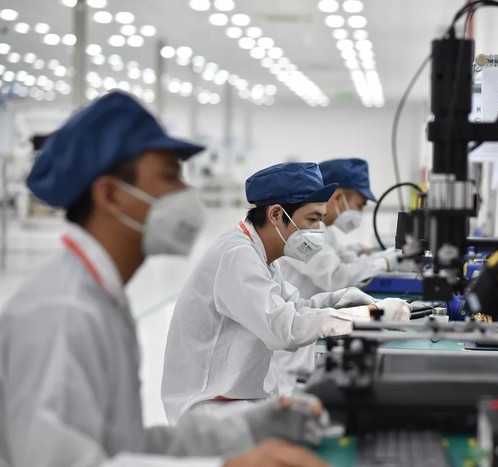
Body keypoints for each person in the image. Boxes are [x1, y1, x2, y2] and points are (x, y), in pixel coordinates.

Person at [0, 91, 329, 467]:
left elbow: (124, 444)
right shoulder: (63, 311)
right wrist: (226, 465)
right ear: (111, 195)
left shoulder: (99, 295)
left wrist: (251, 427)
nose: (186, 193)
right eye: (170, 177)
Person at [161, 161, 411, 423]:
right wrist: (369, 316)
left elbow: (295, 305)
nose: (318, 231)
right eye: (312, 219)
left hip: (239, 399)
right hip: (209, 411)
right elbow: (284, 328)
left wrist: (342, 300)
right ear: (276, 214)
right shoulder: (237, 255)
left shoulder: (261, 254)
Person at [278, 158, 404, 298]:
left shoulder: (326, 229)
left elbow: (348, 261)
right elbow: (336, 277)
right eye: (360, 205)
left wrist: (388, 256)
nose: (360, 213)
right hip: (297, 309)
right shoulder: (303, 229)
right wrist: (386, 263)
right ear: (338, 198)